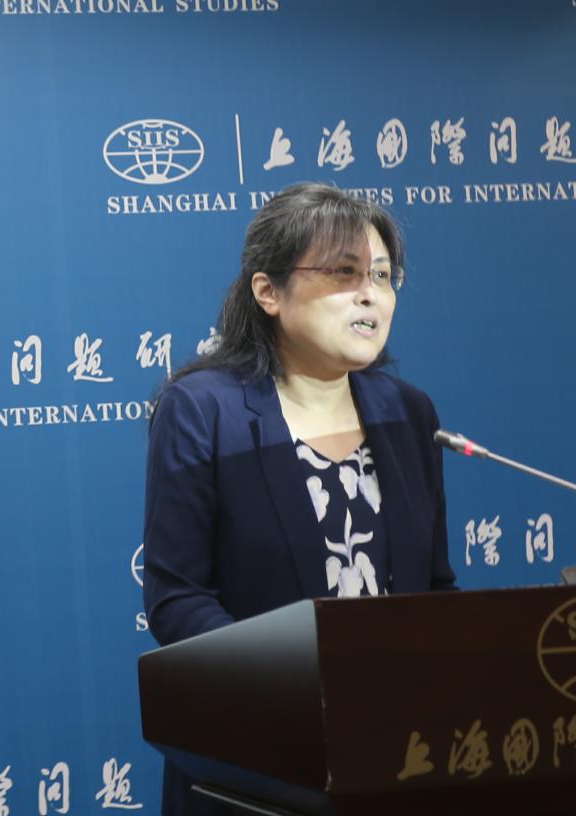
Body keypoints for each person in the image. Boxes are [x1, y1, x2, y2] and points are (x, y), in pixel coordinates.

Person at [141, 183, 457, 816]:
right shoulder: (204, 411)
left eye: (383, 276)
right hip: (258, 757)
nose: (370, 294)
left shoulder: (408, 413)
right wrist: (295, 692)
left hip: (396, 754)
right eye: (344, 273)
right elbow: (178, 599)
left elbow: (434, 588)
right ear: (269, 292)